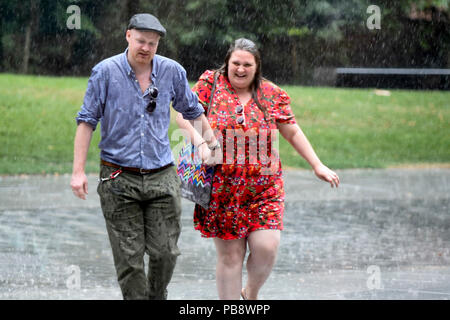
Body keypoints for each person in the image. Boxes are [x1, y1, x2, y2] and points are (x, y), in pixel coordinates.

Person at [176, 38, 340, 300]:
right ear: (227, 63)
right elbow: (184, 115)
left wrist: (317, 164)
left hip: (264, 186)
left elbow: (292, 131)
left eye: (247, 65)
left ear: (257, 66)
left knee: (266, 247)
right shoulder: (211, 84)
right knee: (231, 256)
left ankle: (250, 293)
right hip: (222, 188)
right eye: (235, 63)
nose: (240, 69)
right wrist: (202, 144)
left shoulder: (271, 94)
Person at [70, 13, 219, 300]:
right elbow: (87, 120)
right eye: (141, 41)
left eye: (152, 43)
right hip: (118, 177)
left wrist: (212, 145)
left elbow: (192, 109)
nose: (146, 48)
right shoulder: (105, 72)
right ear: (128, 36)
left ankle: (155, 295)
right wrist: (78, 171)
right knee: (130, 261)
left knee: (166, 252)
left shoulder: (171, 71)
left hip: (162, 176)